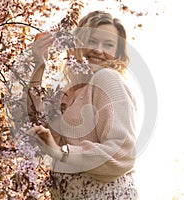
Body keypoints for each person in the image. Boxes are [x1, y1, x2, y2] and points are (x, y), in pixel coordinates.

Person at [27, 10, 138, 199]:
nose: (98, 50)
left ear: (117, 54)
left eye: (108, 45)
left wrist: (63, 152)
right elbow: (36, 123)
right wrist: (39, 65)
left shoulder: (107, 79)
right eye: (92, 41)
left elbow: (122, 152)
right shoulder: (69, 90)